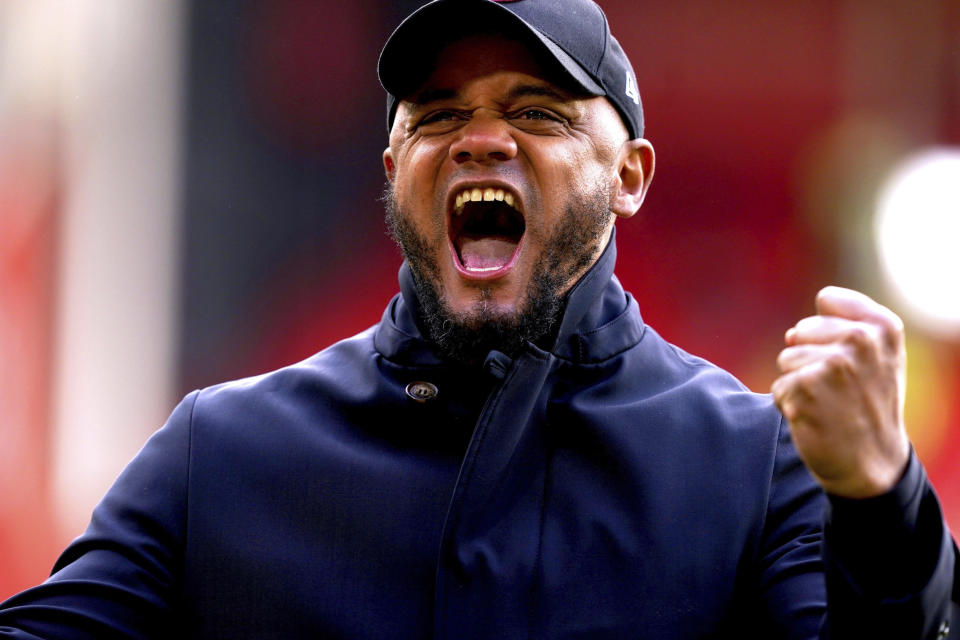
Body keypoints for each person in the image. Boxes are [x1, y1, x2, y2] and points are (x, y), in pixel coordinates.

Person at [1, 0, 958, 637]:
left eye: (538, 112)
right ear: (393, 171)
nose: (482, 139)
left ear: (629, 177)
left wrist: (883, 502)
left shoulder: (751, 465)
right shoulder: (226, 452)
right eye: (436, 113)